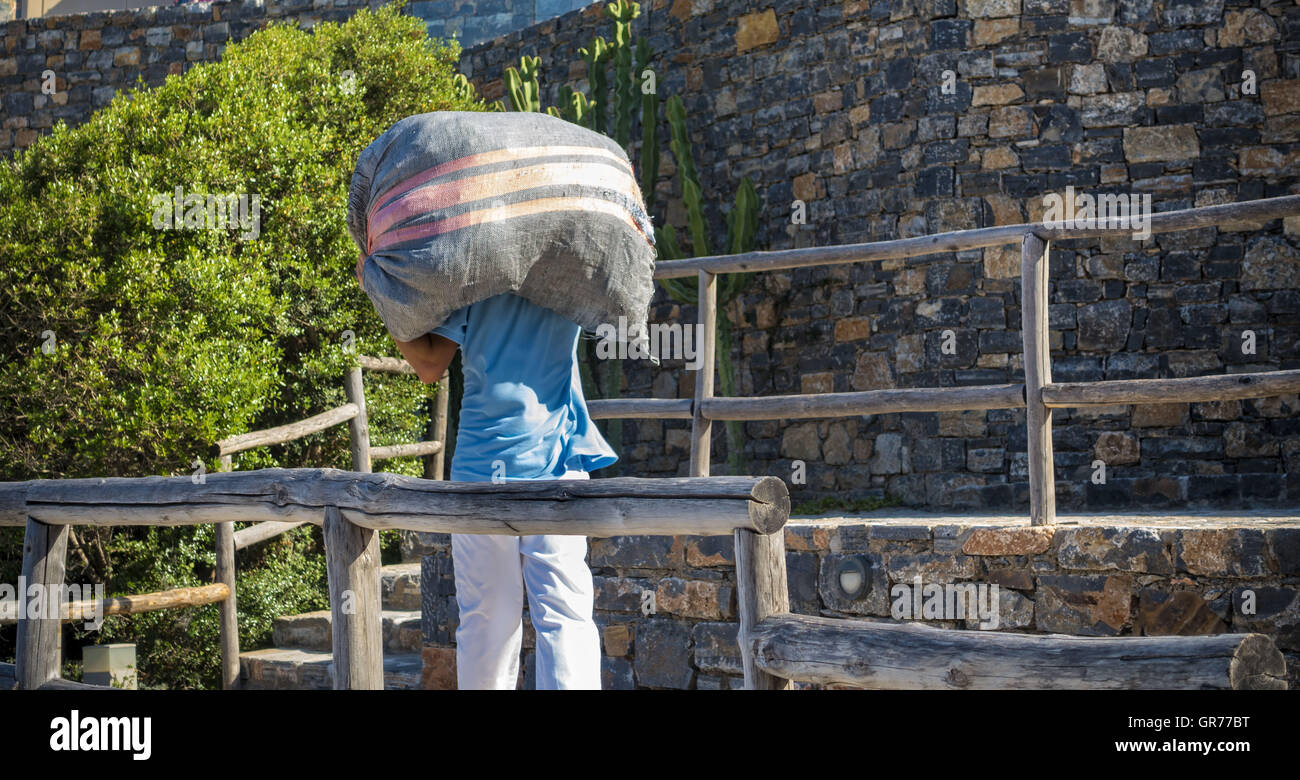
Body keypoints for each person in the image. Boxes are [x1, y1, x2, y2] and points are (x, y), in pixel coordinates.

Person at [356, 252, 614, 690]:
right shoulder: (572, 261)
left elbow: (429, 365)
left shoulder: (474, 262)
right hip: (556, 460)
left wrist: (377, 290)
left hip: (480, 468)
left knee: (485, 625)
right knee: (566, 617)